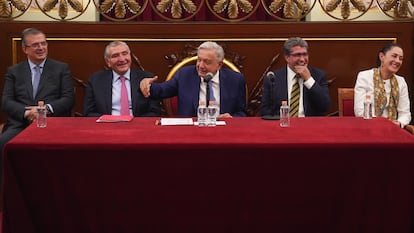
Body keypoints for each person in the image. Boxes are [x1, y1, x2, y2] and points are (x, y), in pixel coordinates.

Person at [0, 28, 74, 156]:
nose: (41, 48)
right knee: (4, 144)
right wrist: (28, 113)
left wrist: (45, 109)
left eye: (43, 43)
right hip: (20, 125)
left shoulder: (61, 68)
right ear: (25, 49)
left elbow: (68, 98)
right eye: (35, 45)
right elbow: (6, 101)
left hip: (52, 124)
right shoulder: (15, 71)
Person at [140, 41, 246, 118]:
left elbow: (242, 113)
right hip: (189, 133)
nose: (200, 66)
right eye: (199, 60)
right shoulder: (184, 75)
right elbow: (161, 90)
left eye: (207, 62)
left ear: (219, 65)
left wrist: (232, 118)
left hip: (223, 132)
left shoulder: (235, 80)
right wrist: (146, 85)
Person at [83, 41, 161, 117]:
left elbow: (154, 112)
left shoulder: (146, 78)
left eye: (125, 54)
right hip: (107, 126)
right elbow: (89, 112)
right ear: (108, 62)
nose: (122, 59)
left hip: (137, 126)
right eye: (115, 56)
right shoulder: (96, 80)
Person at [261, 37, 331, 117]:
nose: (302, 59)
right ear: (287, 57)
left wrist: (309, 80)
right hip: (282, 125)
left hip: (309, 125)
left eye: (305, 54)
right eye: (297, 55)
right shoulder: (273, 78)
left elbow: (325, 107)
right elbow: (265, 110)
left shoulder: (318, 75)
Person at [354, 42, 411, 128]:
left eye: (401, 58)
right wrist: (381, 124)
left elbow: (405, 113)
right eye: (394, 56)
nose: (397, 61)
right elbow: (360, 111)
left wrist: (399, 123)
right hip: (369, 127)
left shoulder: (401, 81)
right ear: (382, 57)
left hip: (394, 129)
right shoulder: (364, 77)